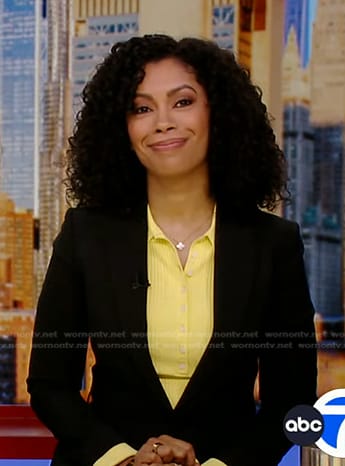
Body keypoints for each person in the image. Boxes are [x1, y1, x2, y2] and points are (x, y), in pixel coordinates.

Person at [27, 34, 317, 466]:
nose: (162, 122)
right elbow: (50, 386)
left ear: (218, 113)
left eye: (182, 102)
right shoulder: (84, 234)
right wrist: (122, 459)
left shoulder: (273, 243)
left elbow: (293, 406)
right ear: (122, 129)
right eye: (142, 108)